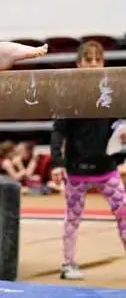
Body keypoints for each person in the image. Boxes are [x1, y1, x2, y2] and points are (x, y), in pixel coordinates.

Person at [50, 40, 126, 281]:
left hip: (106, 169)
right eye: (88, 60)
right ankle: (68, 263)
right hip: (77, 170)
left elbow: (119, 127)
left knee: (124, 213)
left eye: (98, 60)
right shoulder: (70, 96)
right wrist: (57, 162)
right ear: (78, 63)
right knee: (72, 217)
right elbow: (58, 131)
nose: (93, 64)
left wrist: (123, 148)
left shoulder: (110, 94)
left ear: (103, 63)